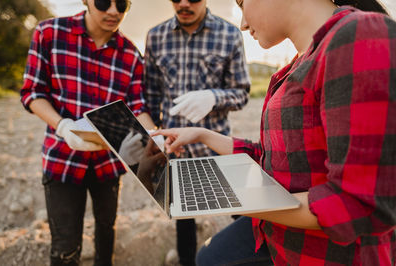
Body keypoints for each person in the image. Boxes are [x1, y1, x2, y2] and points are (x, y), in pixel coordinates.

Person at [152, 0, 396, 265]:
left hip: (325, 255)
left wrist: (230, 196)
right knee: (210, 257)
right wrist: (202, 134)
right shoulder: (297, 63)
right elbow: (272, 157)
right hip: (278, 239)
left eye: (242, 3)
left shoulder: (357, 34)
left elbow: (362, 204)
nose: (243, 23)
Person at [20, 0, 154, 265]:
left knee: (106, 236)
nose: (114, 11)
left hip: (108, 164)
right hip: (62, 162)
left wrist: (155, 136)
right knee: (66, 249)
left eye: (123, 4)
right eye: (104, 1)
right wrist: (62, 126)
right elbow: (33, 92)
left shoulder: (131, 54)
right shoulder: (49, 33)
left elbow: (138, 108)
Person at [143, 0, 253, 265]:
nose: (183, 3)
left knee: (242, 212)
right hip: (174, 151)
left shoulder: (229, 34)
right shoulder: (155, 36)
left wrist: (213, 97)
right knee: (182, 219)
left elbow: (241, 93)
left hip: (215, 148)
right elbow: (150, 96)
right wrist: (153, 135)